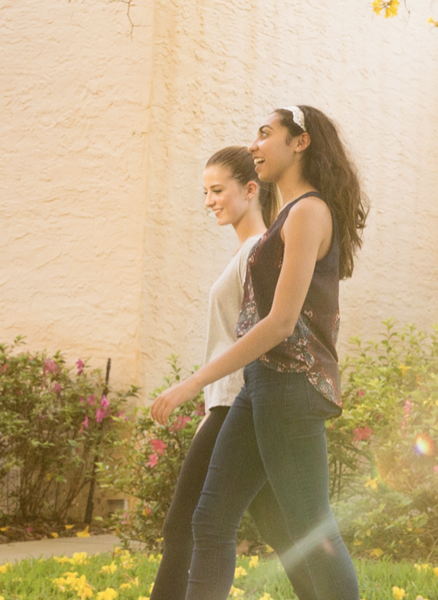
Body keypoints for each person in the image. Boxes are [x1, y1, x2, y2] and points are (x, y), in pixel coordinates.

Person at [150, 105, 368, 600]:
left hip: (292, 388)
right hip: (260, 385)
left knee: (313, 529)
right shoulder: (285, 217)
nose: (254, 145)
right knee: (209, 519)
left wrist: (194, 382)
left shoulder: (310, 211)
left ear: (300, 143)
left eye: (265, 134)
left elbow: (281, 322)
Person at [147, 146, 295, 600]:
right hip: (230, 402)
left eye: (217, 190)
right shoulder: (248, 252)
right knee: (282, 527)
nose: (209, 200)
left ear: (251, 190)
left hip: (238, 401)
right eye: (204, 192)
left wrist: (195, 390)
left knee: (186, 526)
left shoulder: (257, 251)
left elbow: (263, 336)